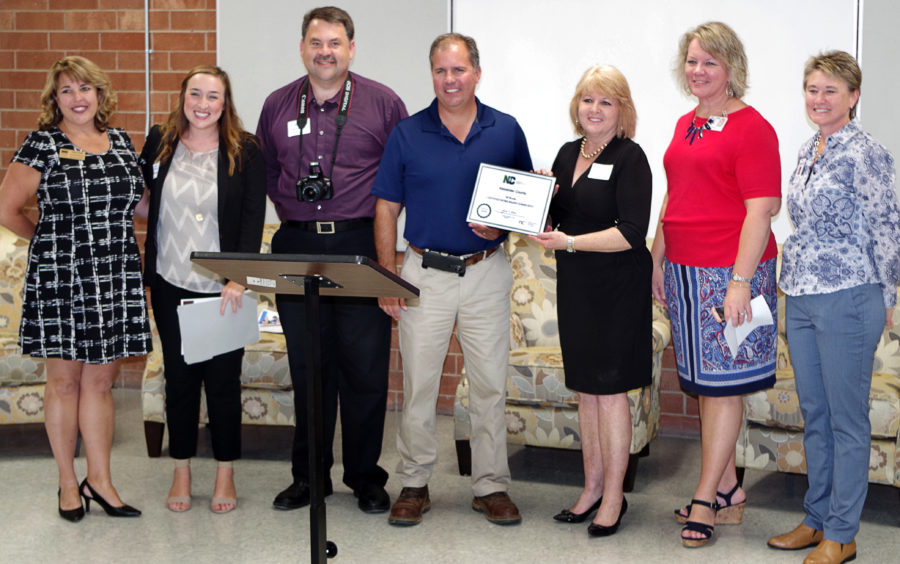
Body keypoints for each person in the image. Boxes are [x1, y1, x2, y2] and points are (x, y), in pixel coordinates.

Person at [373, 32, 532, 527]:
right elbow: (385, 208)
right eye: (441, 71)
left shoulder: (505, 130)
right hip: (425, 275)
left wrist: (502, 225)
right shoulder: (407, 133)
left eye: (458, 70)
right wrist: (386, 277)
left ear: (477, 73)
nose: (450, 79)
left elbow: (525, 204)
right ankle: (415, 482)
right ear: (432, 76)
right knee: (419, 385)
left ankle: (490, 486)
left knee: (489, 385)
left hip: (487, 270)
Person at [255, 6, 407, 513]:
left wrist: (390, 257)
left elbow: (401, 178)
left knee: (364, 370)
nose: (325, 52)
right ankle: (309, 477)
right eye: (316, 42)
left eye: (335, 43)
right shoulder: (277, 105)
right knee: (308, 368)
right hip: (296, 246)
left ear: (351, 48)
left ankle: (365, 477)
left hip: (359, 244)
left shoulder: (383, 104)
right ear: (303, 47)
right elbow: (269, 172)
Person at [0, 55, 151, 521]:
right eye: (66, 90)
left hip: (115, 274)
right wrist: (49, 243)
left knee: (101, 382)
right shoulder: (41, 144)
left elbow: (144, 206)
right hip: (61, 277)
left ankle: (101, 481)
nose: (77, 97)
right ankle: (69, 483)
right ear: (55, 100)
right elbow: (7, 209)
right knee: (64, 383)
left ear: (100, 95)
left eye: (85, 88)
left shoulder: (123, 142)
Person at [649, 22, 781, 548]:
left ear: (732, 69)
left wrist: (740, 283)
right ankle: (727, 491)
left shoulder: (753, 128)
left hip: (731, 275)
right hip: (684, 271)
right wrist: (657, 259)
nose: (698, 70)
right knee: (705, 384)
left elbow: (762, 211)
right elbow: (675, 196)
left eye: (710, 62)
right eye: (692, 61)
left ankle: (705, 497)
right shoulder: (688, 124)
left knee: (723, 388)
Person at [767, 51, 900, 564]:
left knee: (846, 419)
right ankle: (817, 518)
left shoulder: (865, 153)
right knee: (816, 414)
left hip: (849, 295)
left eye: (830, 91)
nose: (819, 99)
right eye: (812, 89)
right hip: (801, 294)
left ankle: (842, 534)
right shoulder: (809, 149)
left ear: (853, 96)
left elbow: (888, 229)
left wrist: (887, 298)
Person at [137, 65, 266, 514]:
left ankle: (225, 473)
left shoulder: (245, 150)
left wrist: (239, 276)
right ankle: (181, 468)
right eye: (196, 94)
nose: (203, 104)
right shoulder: (161, 140)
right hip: (170, 281)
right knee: (180, 380)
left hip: (222, 288)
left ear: (225, 102)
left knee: (224, 383)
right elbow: (142, 201)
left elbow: (252, 218)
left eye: (214, 96)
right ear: (183, 97)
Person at [529, 65, 652, 537]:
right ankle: (592, 486)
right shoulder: (566, 152)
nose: (594, 109)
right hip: (577, 286)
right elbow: (562, 219)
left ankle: (615, 497)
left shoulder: (630, 157)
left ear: (622, 110)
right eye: (587, 100)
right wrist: (544, 194)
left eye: (606, 101)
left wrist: (571, 243)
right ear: (576, 106)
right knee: (587, 390)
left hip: (618, 288)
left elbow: (631, 233)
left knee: (611, 392)